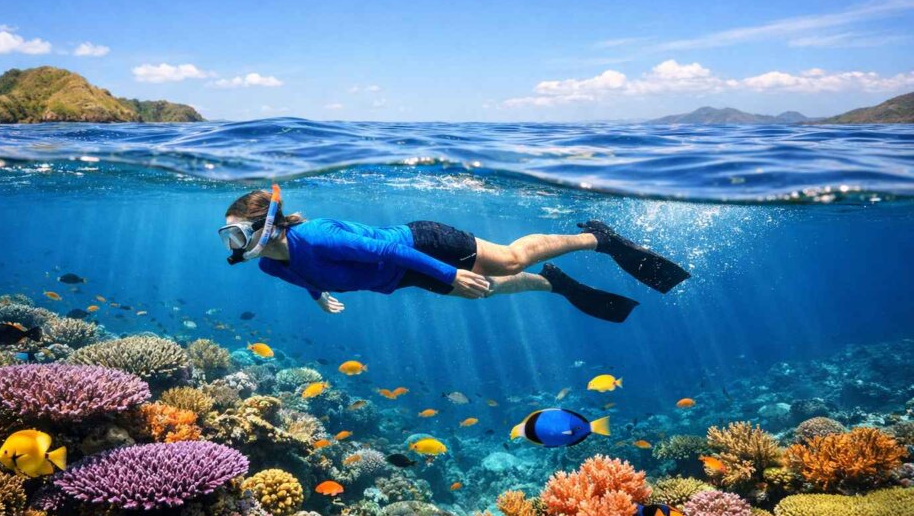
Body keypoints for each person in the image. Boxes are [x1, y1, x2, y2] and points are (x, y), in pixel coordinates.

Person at [219, 185, 689, 323]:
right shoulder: (268, 263)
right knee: (479, 293)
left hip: (421, 244)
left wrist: (447, 272)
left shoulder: (317, 235)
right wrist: (318, 295)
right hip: (402, 275)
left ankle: (599, 239)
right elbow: (305, 276)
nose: (235, 247)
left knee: (506, 261)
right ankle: (555, 283)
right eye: (230, 239)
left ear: (269, 225)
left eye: (238, 235)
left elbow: (385, 248)